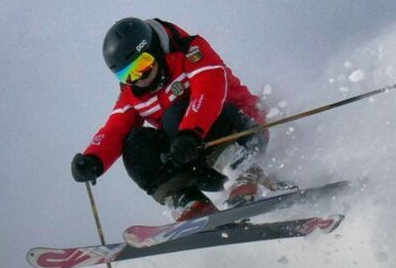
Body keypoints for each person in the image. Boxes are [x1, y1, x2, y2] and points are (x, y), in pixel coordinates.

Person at [71, 17, 288, 221]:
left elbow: (210, 87)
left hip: (242, 134)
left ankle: (245, 172)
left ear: (154, 50)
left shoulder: (188, 50)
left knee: (175, 114)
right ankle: (189, 203)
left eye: (142, 66)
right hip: (195, 156)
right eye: (128, 75)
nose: (139, 79)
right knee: (135, 142)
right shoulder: (133, 94)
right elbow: (116, 128)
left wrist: (190, 132)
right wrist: (93, 159)